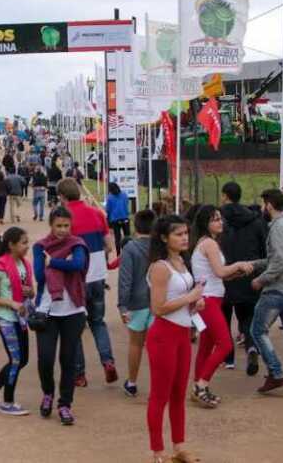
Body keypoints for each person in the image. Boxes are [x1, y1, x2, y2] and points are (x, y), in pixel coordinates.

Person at [146, 215, 205, 463]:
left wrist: (194, 304)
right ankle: (158, 452)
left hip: (182, 333)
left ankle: (179, 447)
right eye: (178, 234)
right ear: (164, 237)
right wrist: (190, 297)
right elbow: (158, 308)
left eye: (186, 233)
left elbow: (178, 300)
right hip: (164, 335)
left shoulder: (181, 261)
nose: (184, 238)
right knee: (160, 395)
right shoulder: (160, 267)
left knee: (179, 394)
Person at [190, 205, 254, 406]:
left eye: (220, 218)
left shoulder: (206, 242)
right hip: (208, 301)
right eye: (215, 219)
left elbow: (217, 275)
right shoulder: (209, 243)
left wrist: (234, 273)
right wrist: (238, 265)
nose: (220, 222)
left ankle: (198, 386)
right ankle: (201, 385)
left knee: (206, 346)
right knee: (225, 345)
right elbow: (220, 272)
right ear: (205, 223)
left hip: (209, 299)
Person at [57, 178, 118, 386]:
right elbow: (109, 246)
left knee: (75, 327)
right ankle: (107, 361)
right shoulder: (96, 213)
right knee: (98, 321)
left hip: (76, 278)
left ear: (62, 196)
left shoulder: (63, 219)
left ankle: (79, 374)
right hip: (98, 275)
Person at [33, 206, 89, 426]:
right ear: (51, 225)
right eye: (59, 226)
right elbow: (40, 275)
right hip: (47, 310)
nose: (63, 230)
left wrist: (53, 262)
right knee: (45, 359)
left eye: (66, 225)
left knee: (68, 360)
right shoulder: (40, 246)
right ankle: (47, 393)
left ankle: (65, 404)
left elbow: (78, 264)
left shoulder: (78, 244)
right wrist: (64, 262)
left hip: (73, 311)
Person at [0, 227, 34, 416]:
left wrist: (30, 292)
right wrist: (11, 303)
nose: (27, 246)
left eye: (27, 242)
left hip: (21, 319)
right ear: (11, 245)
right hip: (6, 320)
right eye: (24, 243)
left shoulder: (25, 265)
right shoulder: (0, 268)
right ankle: (6, 401)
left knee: (22, 360)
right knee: (16, 360)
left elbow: (30, 290)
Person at [219, 182, 268, 374]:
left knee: (224, 318)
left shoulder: (218, 219)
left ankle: (228, 358)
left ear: (225, 195)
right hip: (249, 273)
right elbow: (264, 249)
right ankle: (251, 347)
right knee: (248, 317)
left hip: (224, 274)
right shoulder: (256, 220)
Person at [118, 209, 156, 397]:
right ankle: (159, 384)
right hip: (158, 301)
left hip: (136, 302)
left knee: (135, 343)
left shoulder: (130, 248)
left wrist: (122, 305)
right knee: (156, 346)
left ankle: (132, 382)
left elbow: (125, 279)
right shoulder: (160, 247)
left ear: (136, 226)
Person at [250, 188, 283, 393]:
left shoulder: (278, 227)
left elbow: (279, 261)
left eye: (264, 204)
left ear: (269, 205)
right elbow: (276, 258)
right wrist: (254, 264)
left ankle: (276, 372)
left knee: (257, 330)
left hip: (276, 289)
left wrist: (261, 279)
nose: (263, 208)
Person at [107, 182, 131, 255]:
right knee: (128, 237)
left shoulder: (110, 197)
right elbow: (127, 203)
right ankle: (129, 252)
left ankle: (118, 254)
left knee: (117, 238)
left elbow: (108, 209)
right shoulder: (124, 194)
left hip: (115, 219)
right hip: (125, 218)